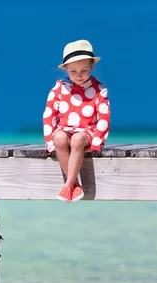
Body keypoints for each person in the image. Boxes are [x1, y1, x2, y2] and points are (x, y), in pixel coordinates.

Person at [42, 39, 110, 203]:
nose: (79, 75)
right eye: (73, 71)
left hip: (86, 133)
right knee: (59, 137)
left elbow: (104, 118)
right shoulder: (59, 88)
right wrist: (50, 142)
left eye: (84, 70)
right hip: (65, 130)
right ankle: (75, 185)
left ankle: (67, 186)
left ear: (92, 67)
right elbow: (49, 115)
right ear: (66, 69)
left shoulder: (99, 89)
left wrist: (96, 142)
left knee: (77, 138)